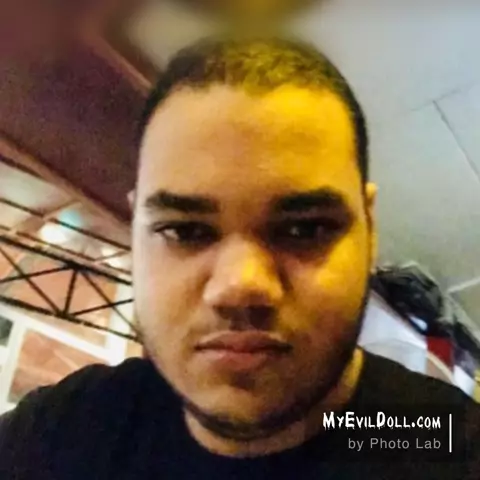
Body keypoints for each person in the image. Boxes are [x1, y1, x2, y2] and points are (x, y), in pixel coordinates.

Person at [0, 36, 479, 480]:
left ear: (369, 229)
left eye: (305, 229)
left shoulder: (428, 438)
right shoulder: (64, 432)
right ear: (137, 230)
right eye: (184, 230)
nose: (240, 285)